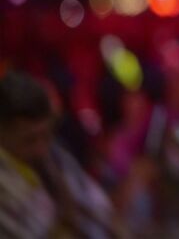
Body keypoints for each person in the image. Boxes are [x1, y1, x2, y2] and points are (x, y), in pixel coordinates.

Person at [0, 69, 125, 238]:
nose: (41, 149)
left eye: (46, 135)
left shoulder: (53, 156)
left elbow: (100, 208)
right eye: (29, 140)